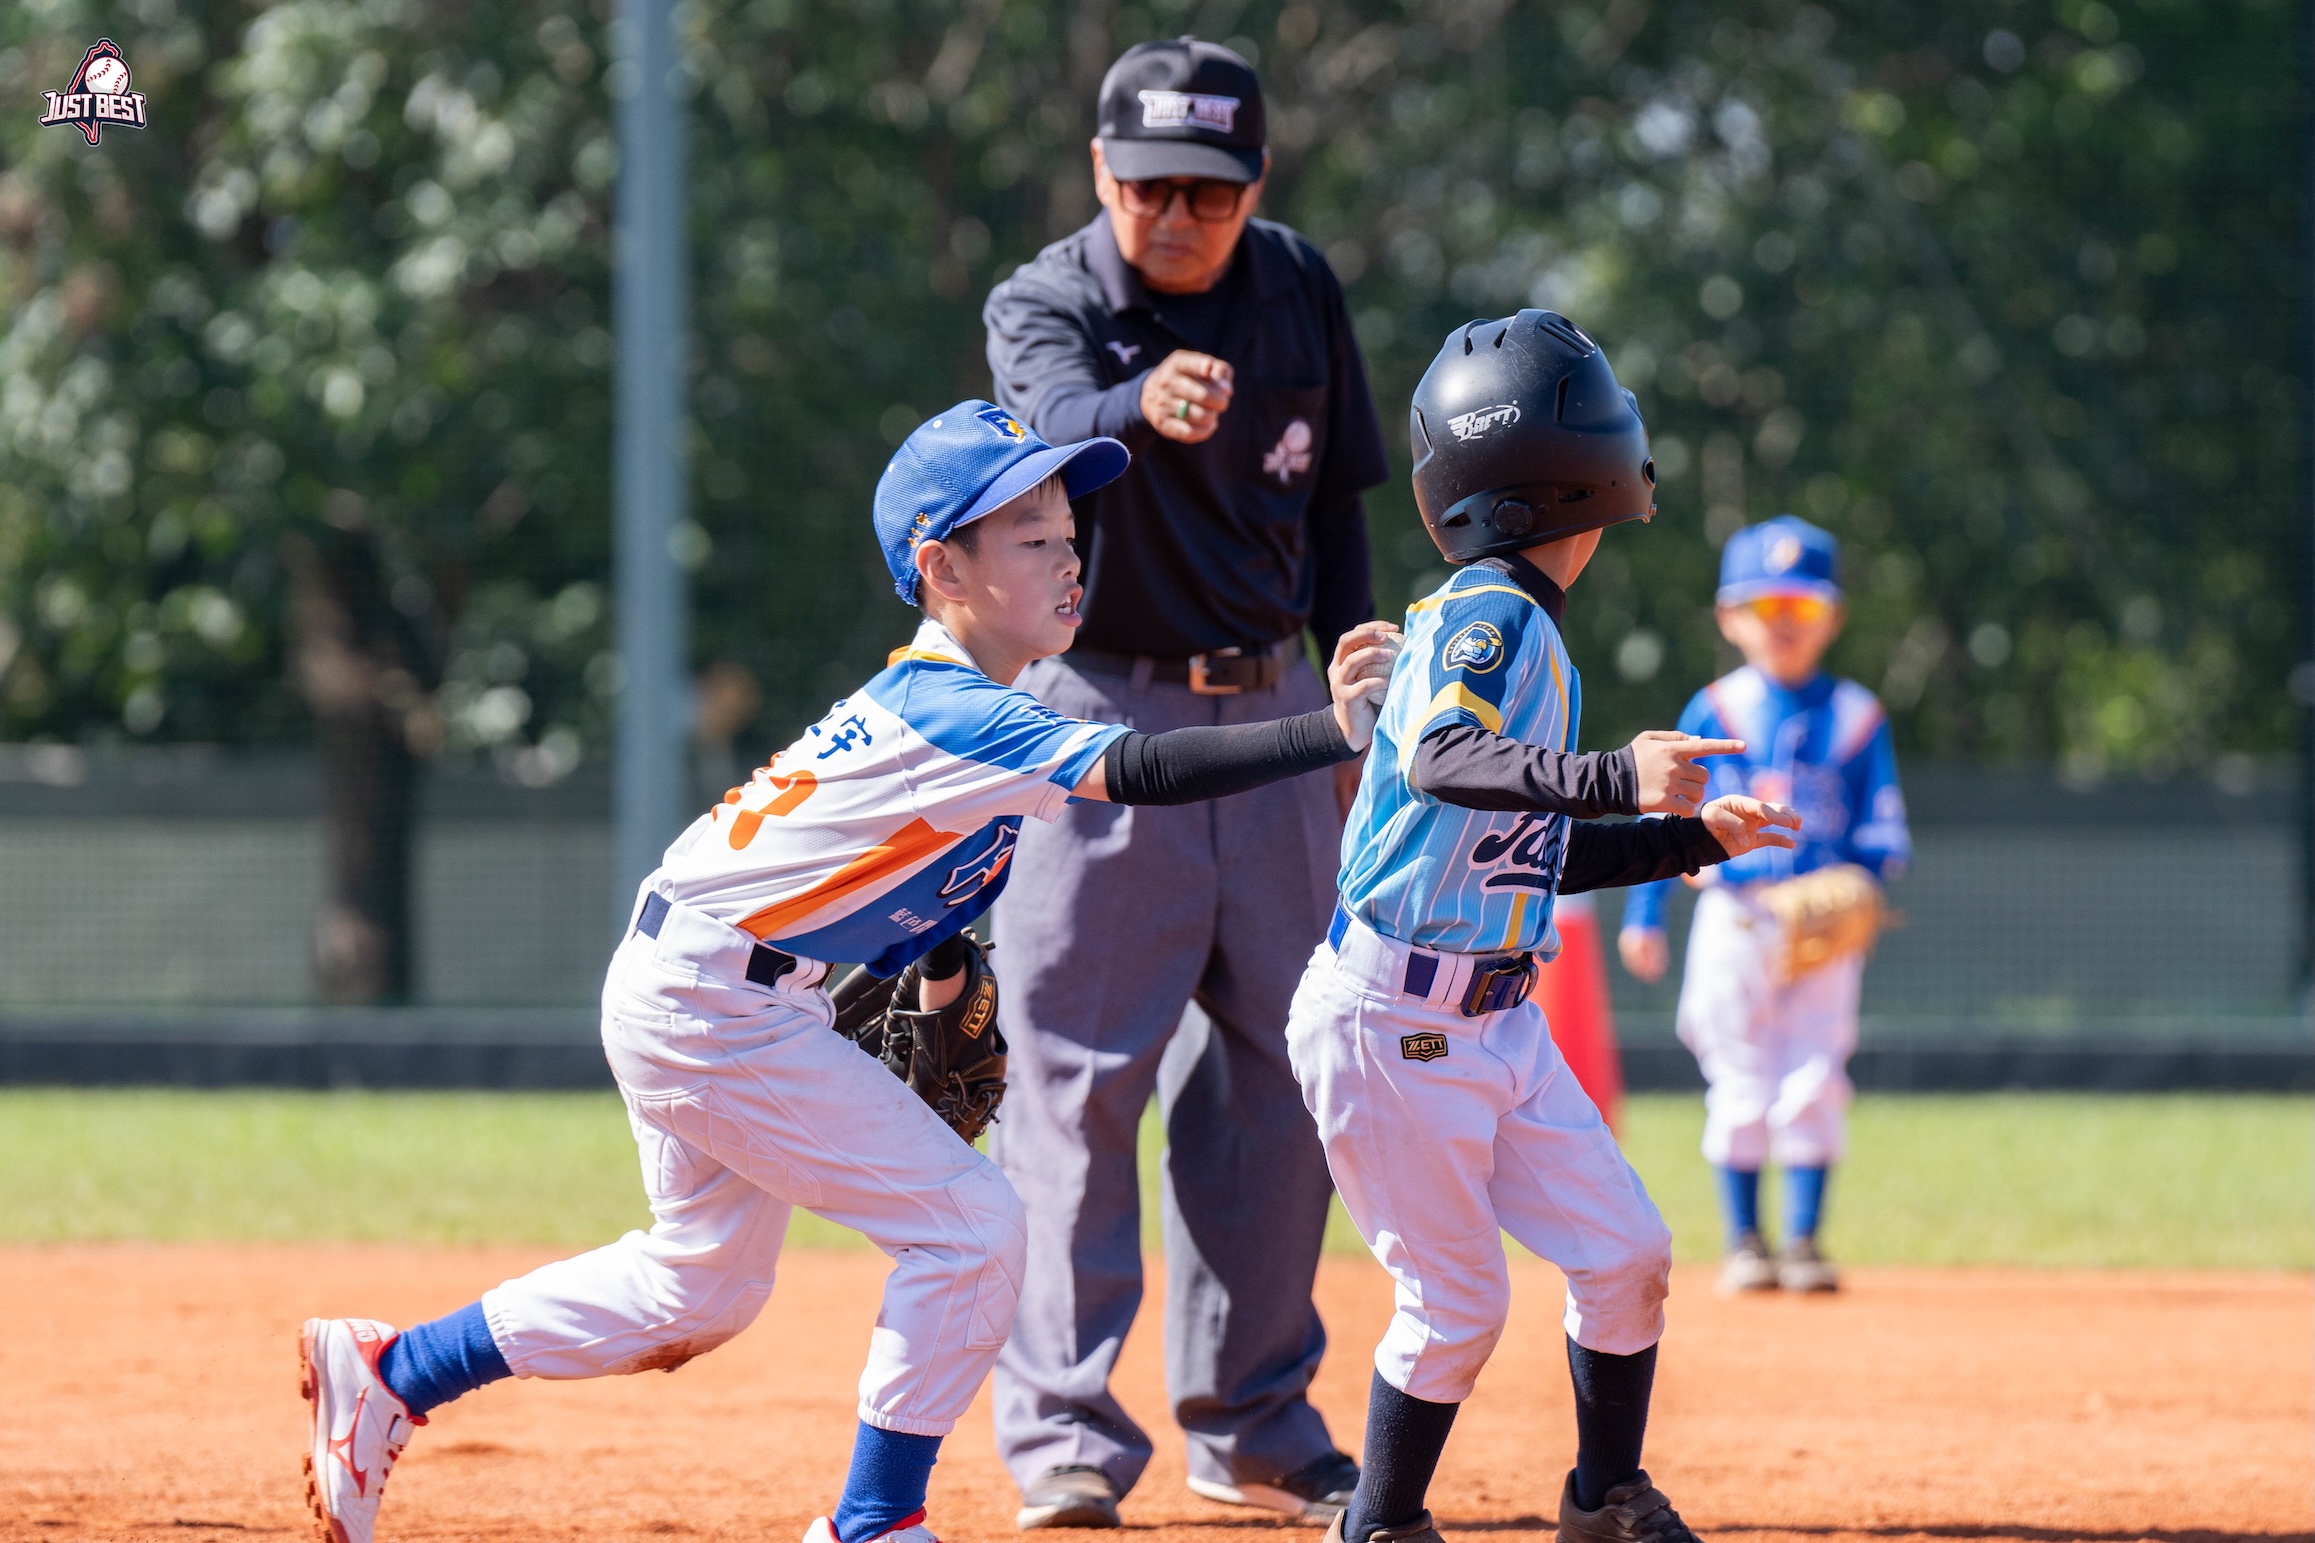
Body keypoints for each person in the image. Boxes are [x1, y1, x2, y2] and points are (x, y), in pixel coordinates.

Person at [296, 404, 1399, 1543]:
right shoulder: (955, 709)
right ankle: (874, 1522)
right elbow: (1141, 765)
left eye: (1069, 531)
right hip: (715, 1004)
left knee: (699, 1288)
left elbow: (912, 895)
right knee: (973, 1230)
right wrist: (1333, 729)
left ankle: (394, 1370)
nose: (1068, 555)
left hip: (713, 985)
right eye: (1027, 536)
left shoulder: (961, 710)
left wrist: (936, 990)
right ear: (941, 568)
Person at [1286, 310, 1804, 1543]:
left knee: (1625, 1254)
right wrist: (1625, 773)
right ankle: (1383, 1522)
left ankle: (1602, 1498)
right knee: (1455, 1307)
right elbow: (1449, 759)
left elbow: (1521, 843)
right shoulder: (1491, 616)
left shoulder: (1511, 622)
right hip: (1392, 1023)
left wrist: (1688, 838)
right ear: (1565, 468)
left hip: (1492, 1015)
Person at [979, 35, 1389, 1530]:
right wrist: (1135, 402)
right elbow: (1032, 427)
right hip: (1098, 725)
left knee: (1296, 1072)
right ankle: (1065, 1433)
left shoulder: (1291, 281)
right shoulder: (1049, 301)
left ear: (1251, 186)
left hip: (1278, 719)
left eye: (1204, 192)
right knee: (1077, 1084)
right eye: (1145, 184)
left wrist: (1352, 676)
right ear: (1100, 173)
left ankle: (1255, 1419)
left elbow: (1337, 491)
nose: (1173, 215)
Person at [1617, 515, 1911, 1296]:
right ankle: (1745, 1241)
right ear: (1729, 617)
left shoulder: (1857, 716)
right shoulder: (1714, 707)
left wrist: (1864, 889)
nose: (1784, 625)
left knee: (1814, 1072)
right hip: (1733, 917)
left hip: (1822, 928)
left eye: (1803, 609)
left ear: (1834, 618)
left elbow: (1881, 832)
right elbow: (1664, 824)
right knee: (1739, 1074)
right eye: (1766, 607)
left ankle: (1804, 1239)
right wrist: (1644, 916)